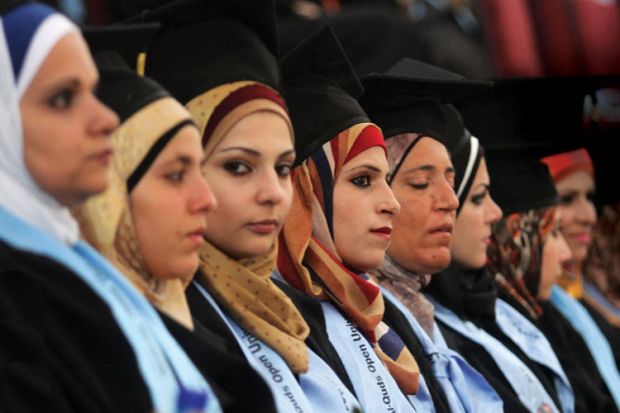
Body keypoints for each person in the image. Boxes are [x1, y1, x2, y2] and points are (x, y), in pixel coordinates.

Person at [143, 3, 363, 412]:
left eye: (282, 168)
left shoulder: (295, 313)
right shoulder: (157, 325)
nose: (274, 193)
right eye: (238, 166)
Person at [0, 3, 218, 412]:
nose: (105, 119)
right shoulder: (16, 300)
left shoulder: (74, 267)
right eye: (63, 98)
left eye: (93, 92)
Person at [76, 23, 277, 413]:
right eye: (174, 175)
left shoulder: (198, 337)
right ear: (107, 194)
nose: (206, 199)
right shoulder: (60, 360)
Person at [277, 26, 434, 413]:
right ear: (303, 193)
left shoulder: (376, 317)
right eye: (362, 180)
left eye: (386, 179)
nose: (391, 203)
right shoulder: (269, 318)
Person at [360, 58, 516, 413]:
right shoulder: (364, 325)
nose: (450, 201)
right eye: (420, 183)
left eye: (450, 179)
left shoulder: (422, 313)